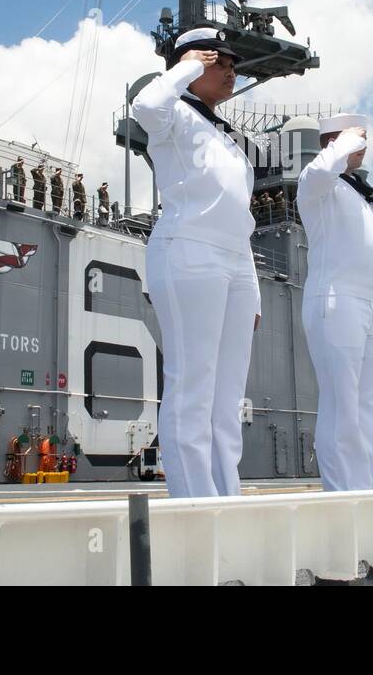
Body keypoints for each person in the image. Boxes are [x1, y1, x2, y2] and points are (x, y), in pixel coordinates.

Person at [131, 26, 260, 498]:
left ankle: (227, 496)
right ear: (196, 61)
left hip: (232, 264)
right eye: (221, 63)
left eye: (231, 65)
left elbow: (238, 216)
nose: (231, 72)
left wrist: (252, 288)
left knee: (226, 398)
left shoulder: (226, 136)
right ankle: (194, 505)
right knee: (193, 384)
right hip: (189, 251)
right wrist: (187, 66)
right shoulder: (172, 116)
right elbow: (145, 105)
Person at [296, 113, 373, 491]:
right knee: (342, 403)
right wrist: (343, 142)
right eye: (359, 138)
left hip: (369, 305)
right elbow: (318, 173)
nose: (364, 144)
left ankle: (365, 489)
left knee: (367, 408)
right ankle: (341, 495)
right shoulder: (318, 186)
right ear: (333, 142)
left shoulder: (364, 198)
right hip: (335, 300)